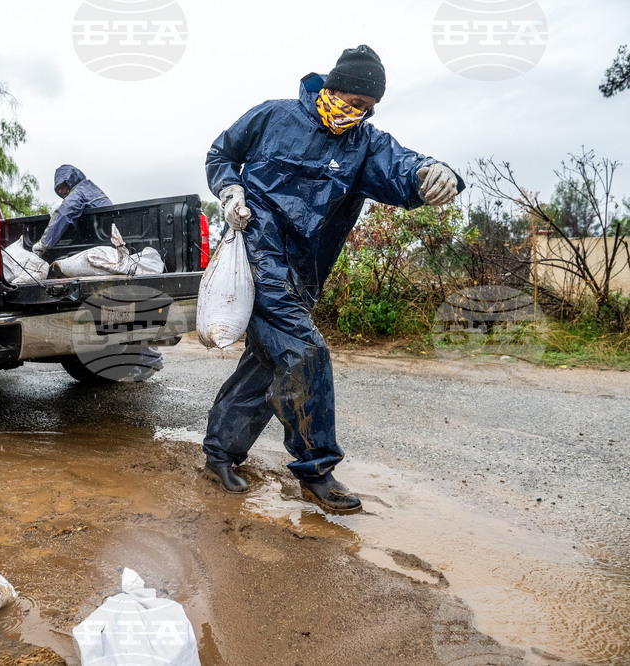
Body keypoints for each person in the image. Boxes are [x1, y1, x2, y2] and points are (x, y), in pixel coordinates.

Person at [202, 45, 463, 513]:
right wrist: (229, 188)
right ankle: (316, 468)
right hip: (257, 253)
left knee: (267, 360)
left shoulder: (364, 145)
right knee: (304, 352)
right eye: (357, 104)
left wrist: (435, 172)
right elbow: (221, 153)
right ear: (333, 87)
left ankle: (220, 452)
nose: (360, 115)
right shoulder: (273, 117)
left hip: (305, 271)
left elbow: (403, 168)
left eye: (370, 110)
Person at [34, 164, 164, 380]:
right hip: (113, 251)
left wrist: (42, 245)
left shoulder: (81, 190)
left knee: (121, 312)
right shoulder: (90, 190)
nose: (64, 192)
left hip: (109, 253)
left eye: (64, 187)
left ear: (72, 180)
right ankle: (147, 359)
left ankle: (148, 359)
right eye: (60, 191)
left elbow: (64, 216)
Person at [32, 165, 113, 257]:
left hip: (102, 238)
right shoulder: (88, 187)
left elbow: (64, 213)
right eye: (58, 189)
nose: (60, 192)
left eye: (62, 187)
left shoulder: (79, 191)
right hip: (107, 237)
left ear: (70, 181)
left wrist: (43, 244)